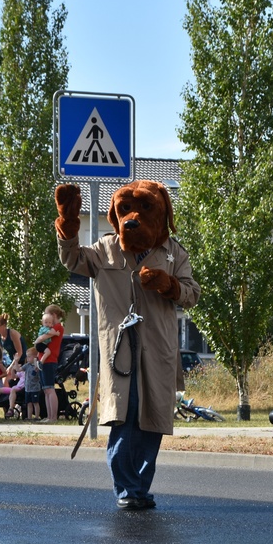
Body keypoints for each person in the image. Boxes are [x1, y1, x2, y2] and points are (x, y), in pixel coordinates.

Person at [56, 181, 201, 509]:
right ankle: (127, 489)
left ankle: (139, 487)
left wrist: (169, 284)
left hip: (158, 350)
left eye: (145, 210)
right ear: (115, 215)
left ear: (162, 214)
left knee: (153, 420)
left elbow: (192, 293)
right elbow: (72, 260)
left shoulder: (173, 253)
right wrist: (67, 223)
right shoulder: (105, 249)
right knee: (125, 415)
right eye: (124, 211)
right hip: (118, 353)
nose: (132, 219)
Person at [34, 304, 65, 423]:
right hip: (44, 360)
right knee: (46, 389)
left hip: (50, 360)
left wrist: (37, 340)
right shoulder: (51, 327)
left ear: (53, 315)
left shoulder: (57, 327)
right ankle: (49, 416)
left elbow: (41, 339)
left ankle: (53, 417)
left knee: (50, 389)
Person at [0, 313, 29, 384]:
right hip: (12, 361)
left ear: (4, 326)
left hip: (22, 361)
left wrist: (11, 367)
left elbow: (19, 353)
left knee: (17, 382)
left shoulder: (12, 334)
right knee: (4, 380)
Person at [23, 348, 44, 421]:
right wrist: (15, 361)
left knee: (35, 402)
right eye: (27, 356)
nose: (27, 358)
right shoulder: (27, 365)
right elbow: (19, 369)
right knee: (29, 403)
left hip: (34, 388)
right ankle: (29, 417)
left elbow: (34, 376)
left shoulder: (37, 366)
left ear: (35, 357)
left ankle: (37, 417)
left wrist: (35, 368)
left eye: (29, 356)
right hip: (27, 388)